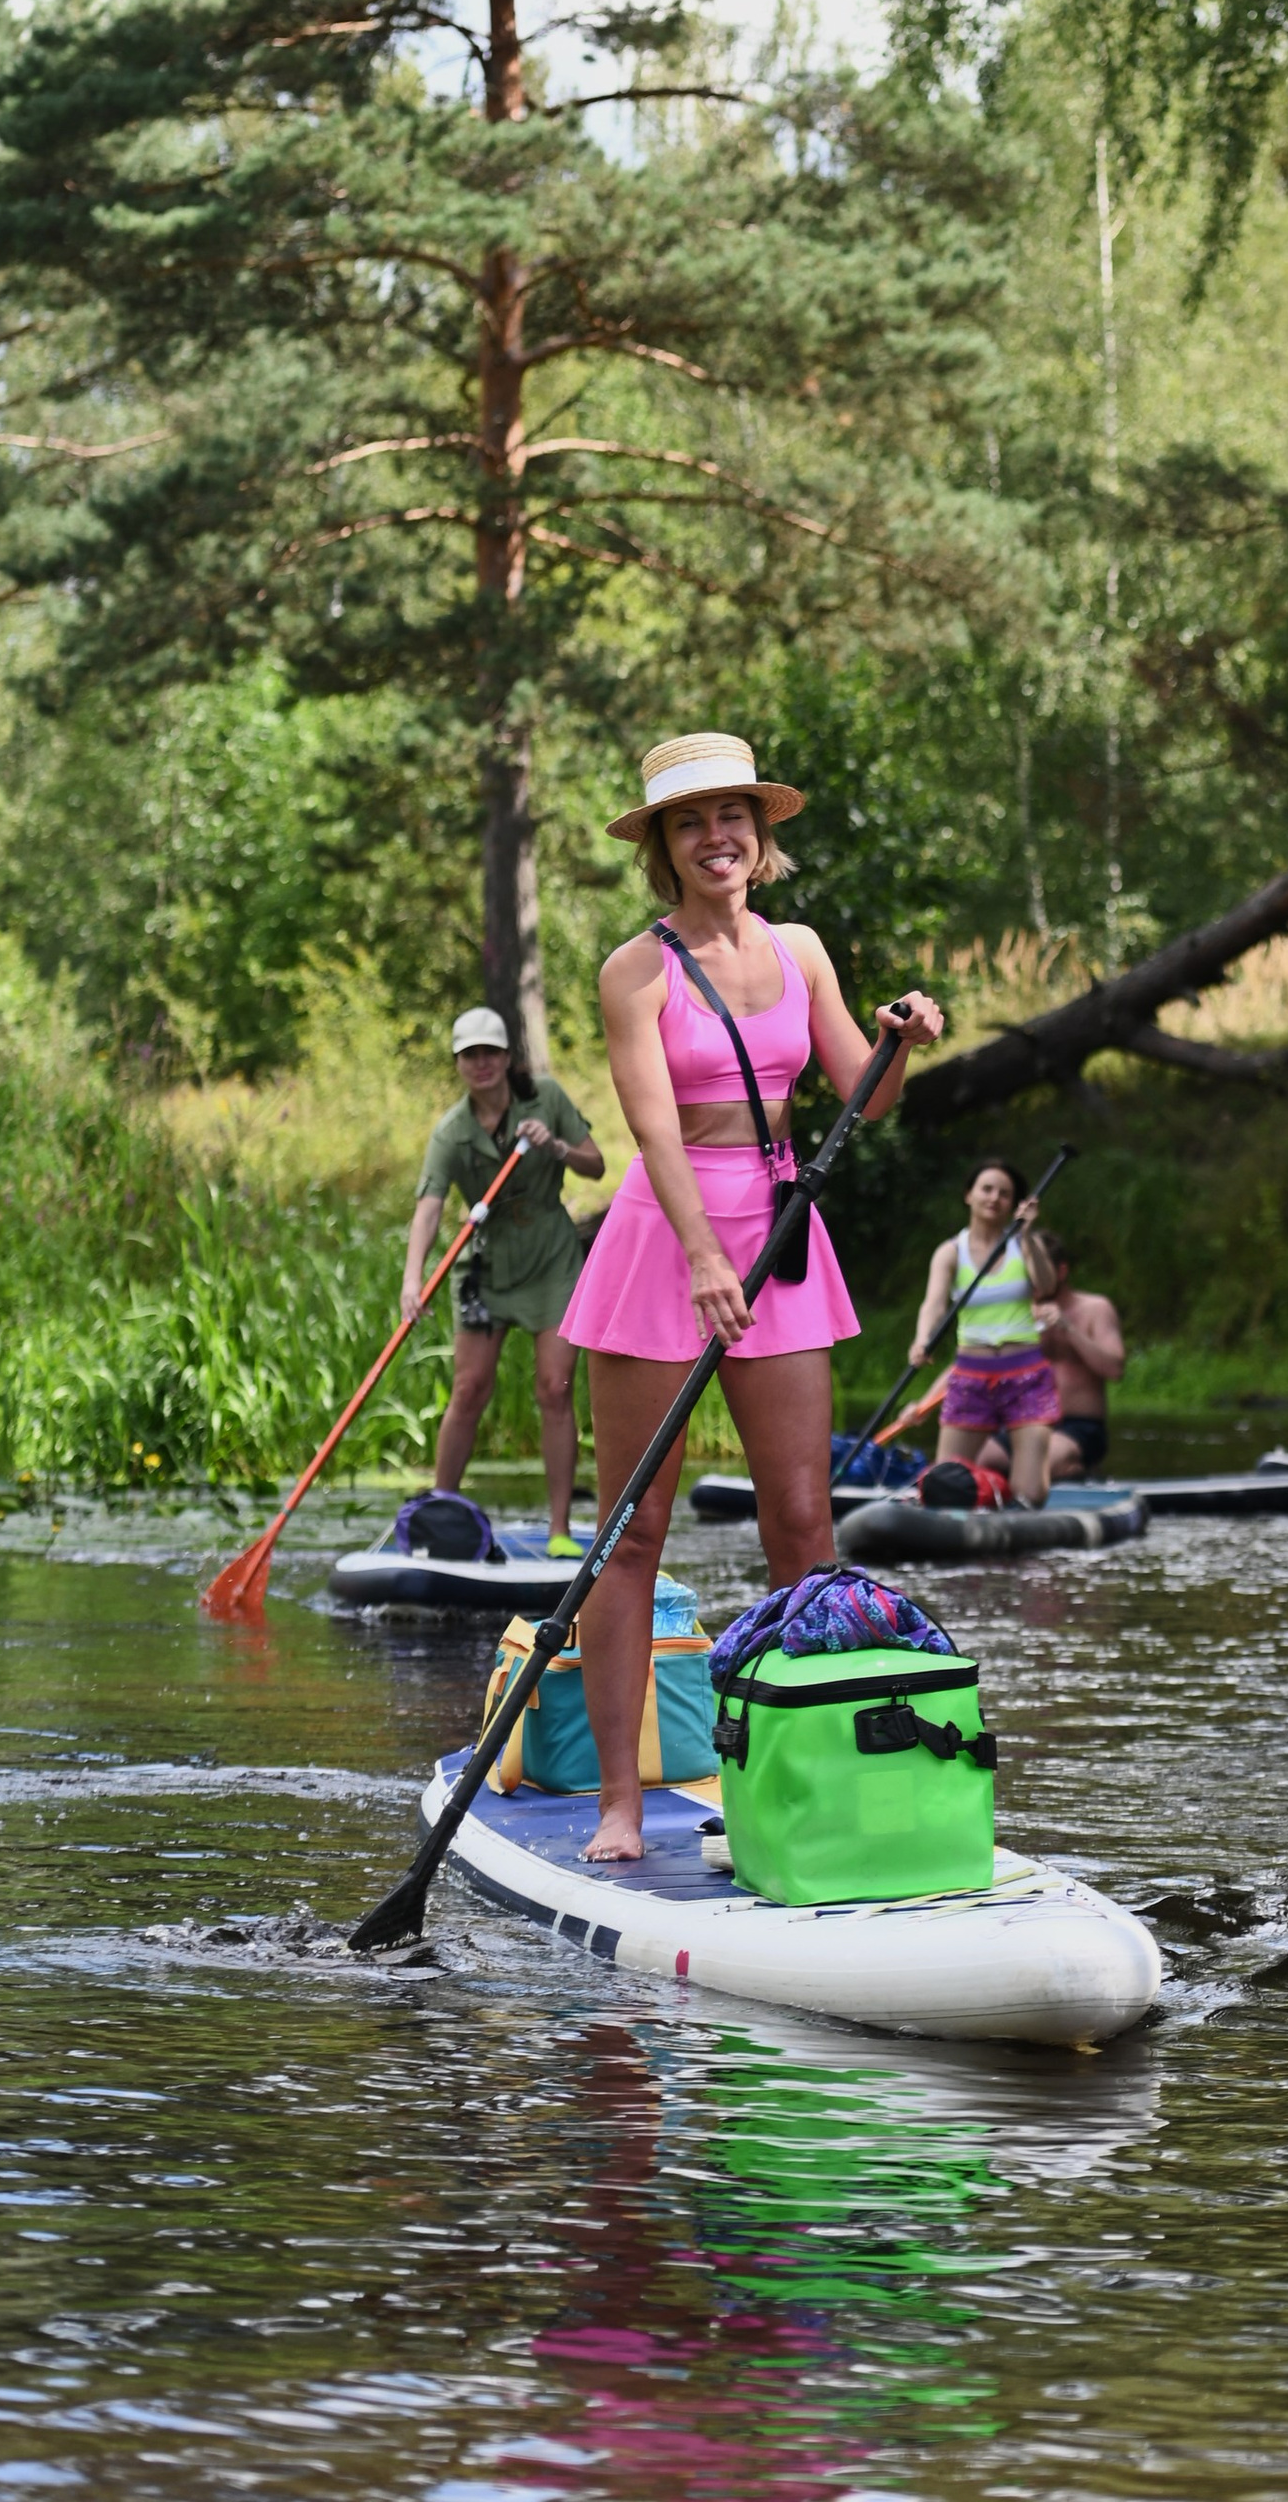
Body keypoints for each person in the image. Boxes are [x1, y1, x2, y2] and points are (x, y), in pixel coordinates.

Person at [567, 732, 943, 1865]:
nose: (715, 836)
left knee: (805, 1526)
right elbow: (649, 1123)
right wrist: (697, 1254)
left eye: (732, 815)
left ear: (758, 832)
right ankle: (621, 1807)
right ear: (665, 848)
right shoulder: (633, 969)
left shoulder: (803, 949)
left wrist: (898, 1041)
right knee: (631, 1535)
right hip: (662, 1240)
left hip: (778, 1233)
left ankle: (794, 1775)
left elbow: (863, 1101)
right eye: (691, 822)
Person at [401, 1006, 604, 1536]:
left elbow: (595, 1162)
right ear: (459, 1063)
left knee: (554, 1387)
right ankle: (439, 1516)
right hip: (486, 1266)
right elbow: (428, 1206)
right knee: (469, 1389)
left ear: (507, 1056)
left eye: (490, 1052)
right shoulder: (452, 1131)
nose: (481, 1063)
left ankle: (559, 1529)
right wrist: (411, 1280)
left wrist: (555, 1145)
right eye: (470, 1055)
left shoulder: (546, 1097)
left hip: (552, 1259)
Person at [909, 1160, 1058, 1505]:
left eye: (1004, 1194)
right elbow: (933, 1304)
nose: (995, 1198)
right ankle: (981, 1499)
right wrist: (922, 1338)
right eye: (987, 1189)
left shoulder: (1024, 1244)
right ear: (969, 1195)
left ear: (1014, 1204)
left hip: (1026, 1377)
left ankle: (1005, 1500)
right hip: (971, 1377)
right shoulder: (950, 1252)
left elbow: (1046, 1286)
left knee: (1030, 1495)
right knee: (943, 1482)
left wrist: (1027, 1235)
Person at [1034, 1227, 1126, 1484]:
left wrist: (1069, 1329)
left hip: (1080, 1427)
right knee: (982, 1459)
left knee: (1041, 1464)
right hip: (1027, 1425)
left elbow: (1115, 1369)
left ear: (1061, 1271)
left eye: (1039, 1269)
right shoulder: (1017, 1314)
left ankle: (1076, 1474)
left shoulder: (1095, 1309)